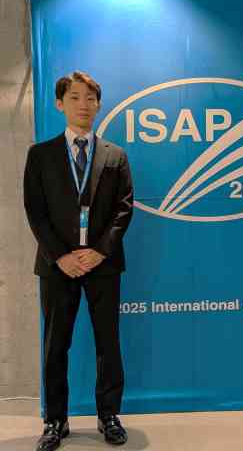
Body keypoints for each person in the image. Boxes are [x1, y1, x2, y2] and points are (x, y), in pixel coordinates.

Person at [23, 71, 134, 450]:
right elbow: (35, 211)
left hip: (104, 263)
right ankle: (55, 421)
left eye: (90, 98)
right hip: (58, 265)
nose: (83, 105)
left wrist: (100, 251)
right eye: (74, 97)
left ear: (98, 104)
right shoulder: (40, 155)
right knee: (56, 344)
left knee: (108, 342)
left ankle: (109, 416)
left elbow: (124, 209)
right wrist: (60, 256)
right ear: (60, 104)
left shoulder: (116, 155)